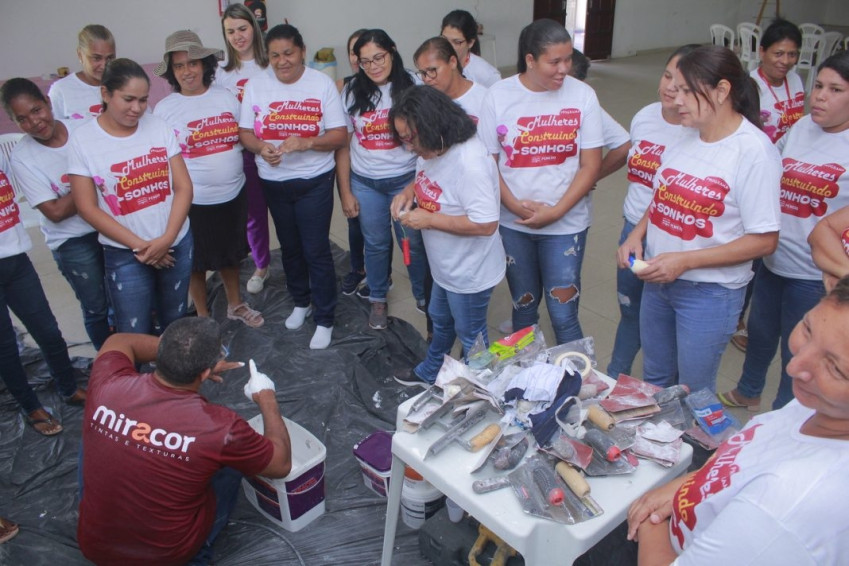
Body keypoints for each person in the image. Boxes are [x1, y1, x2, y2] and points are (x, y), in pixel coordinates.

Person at [627, 276, 849, 564]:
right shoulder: (825, 405)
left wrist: (649, 520)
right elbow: (751, 459)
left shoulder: (787, 507)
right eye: (807, 328)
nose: (795, 367)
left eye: (835, 368)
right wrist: (689, 485)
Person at [617, 45, 781, 394]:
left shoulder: (753, 153)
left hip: (709, 292)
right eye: (674, 88)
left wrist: (686, 261)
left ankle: (700, 449)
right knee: (656, 381)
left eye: (687, 91)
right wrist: (638, 234)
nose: (676, 100)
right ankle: (659, 447)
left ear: (722, 91)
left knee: (694, 392)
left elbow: (765, 240)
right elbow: (664, 193)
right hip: (659, 282)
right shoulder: (685, 135)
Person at [77, 317, 292, 565]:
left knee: (99, 436)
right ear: (205, 372)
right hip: (167, 556)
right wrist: (266, 398)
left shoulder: (108, 384)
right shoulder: (221, 428)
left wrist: (180, 358)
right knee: (234, 461)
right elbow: (281, 463)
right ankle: (200, 549)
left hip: (95, 546)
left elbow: (119, 340)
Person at [721, 51, 849, 411]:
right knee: (759, 334)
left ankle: (784, 415)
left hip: (814, 275)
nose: (820, 95)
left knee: (802, 350)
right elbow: (767, 167)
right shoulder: (802, 127)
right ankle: (748, 390)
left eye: (835, 89)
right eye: (819, 85)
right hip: (772, 259)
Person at [479, 20, 603, 345]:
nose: (564, 69)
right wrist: (511, 204)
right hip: (514, 222)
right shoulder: (499, 95)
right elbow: (488, 161)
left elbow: (591, 165)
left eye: (568, 59)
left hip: (566, 225)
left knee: (563, 314)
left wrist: (556, 212)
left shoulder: (583, 96)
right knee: (524, 305)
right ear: (530, 60)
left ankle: (579, 380)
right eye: (554, 62)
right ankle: (524, 380)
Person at [238, 24, 347, 349]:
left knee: (316, 250)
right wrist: (261, 149)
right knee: (290, 248)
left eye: (288, 53)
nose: (282, 61)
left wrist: (307, 142)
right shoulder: (256, 86)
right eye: (275, 55)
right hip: (274, 182)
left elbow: (339, 136)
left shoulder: (321, 83)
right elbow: (246, 132)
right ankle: (302, 302)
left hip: (314, 181)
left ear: (301, 51)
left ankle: (325, 317)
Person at [389, 86, 504, 386]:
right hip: (445, 265)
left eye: (411, 139)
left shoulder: (470, 162)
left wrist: (429, 219)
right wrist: (407, 192)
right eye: (403, 139)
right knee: (440, 318)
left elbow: (486, 223)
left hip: (469, 271)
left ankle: (481, 387)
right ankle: (433, 368)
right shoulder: (432, 147)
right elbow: (426, 177)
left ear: (432, 126)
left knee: (472, 337)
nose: (409, 147)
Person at [69, 58, 193, 335]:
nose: (137, 108)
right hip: (125, 252)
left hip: (175, 243)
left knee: (176, 324)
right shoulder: (83, 140)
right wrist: (144, 248)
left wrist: (167, 239)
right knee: (134, 330)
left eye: (143, 100)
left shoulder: (158, 127)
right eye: (128, 99)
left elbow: (183, 186)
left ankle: (174, 379)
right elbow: (86, 207)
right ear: (105, 94)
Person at [154, 30, 263, 328]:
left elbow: (245, 135)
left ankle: (235, 305)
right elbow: (162, 160)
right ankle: (202, 316)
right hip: (193, 200)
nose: (187, 71)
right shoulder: (164, 110)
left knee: (231, 255)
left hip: (232, 193)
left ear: (204, 64)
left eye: (192, 63)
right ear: (173, 73)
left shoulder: (225, 97)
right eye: (179, 66)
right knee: (195, 262)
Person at [606, 45, 697, 378]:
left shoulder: (698, 130)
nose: (670, 87)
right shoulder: (644, 116)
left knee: (663, 320)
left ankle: (659, 389)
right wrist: (633, 233)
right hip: (632, 232)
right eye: (667, 75)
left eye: (683, 83)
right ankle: (615, 376)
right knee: (631, 308)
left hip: (671, 239)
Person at [2, 78, 111, 350]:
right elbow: (55, 212)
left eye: (37, 110)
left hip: (109, 225)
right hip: (72, 241)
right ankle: (113, 371)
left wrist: (96, 179)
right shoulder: (23, 158)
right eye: (22, 119)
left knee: (126, 297)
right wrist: (91, 182)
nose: (34, 123)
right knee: (97, 308)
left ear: (48, 103)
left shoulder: (83, 128)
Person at [339, 29, 430, 330]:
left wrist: (416, 183)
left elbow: (429, 141)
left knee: (412, 241)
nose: (374, 66)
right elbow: (344, 144)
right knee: (375, 243)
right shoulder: (352, 91)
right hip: (366, 182)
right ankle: (378, 296)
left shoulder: (413, 84)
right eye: (365, 62)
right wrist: (346, 191)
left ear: (392, 51)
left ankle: (423, 294)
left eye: (379, 57)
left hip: (405, 178)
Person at [731, 18, 805, 352]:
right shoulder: (751, 87)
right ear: (761, 52)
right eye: (778, 53)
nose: (785, 61)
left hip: (784, 177)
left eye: (792, 54)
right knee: (752, 251)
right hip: (756, 173)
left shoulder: (797, 81)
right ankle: (737, 318)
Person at [0, 152, 85, 436]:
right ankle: (30, 406)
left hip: (16, 260)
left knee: (47, 331)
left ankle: (68, 388)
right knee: (6, 347)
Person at [216, 3, 272, 295]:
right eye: (231, 31)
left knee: (286, 210)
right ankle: (262, 265)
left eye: (242, 28)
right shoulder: (220, 73)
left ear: (254, 27)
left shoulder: (270, 65)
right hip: (241, 153)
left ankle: (301, 261)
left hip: (275, 149)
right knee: (254, 214)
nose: (238, 36)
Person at [48, 24, 116, 121]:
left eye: (110, 58)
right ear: (80, 55)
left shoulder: (123, 83)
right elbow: (55, 130)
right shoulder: (61, 90)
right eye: (96, 58)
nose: (104, 65)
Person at [413, 36, 488, 121]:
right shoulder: (424, 103)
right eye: (423, 73)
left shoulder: (484, 100)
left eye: (432, 70)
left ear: (453, 62)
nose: (427, 79)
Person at [441, 10, 501, 87]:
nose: (448, 46)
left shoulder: (486, 75)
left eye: (457, 42)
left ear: (470, 43)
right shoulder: (434, 64)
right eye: (444, 39)